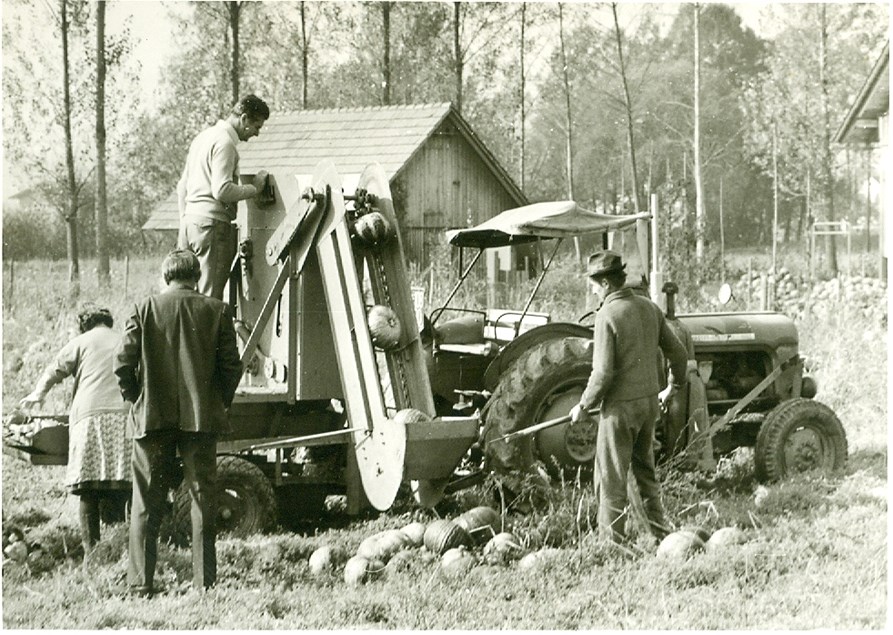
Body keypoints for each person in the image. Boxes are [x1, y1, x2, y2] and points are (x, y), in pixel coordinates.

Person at [114, 250, 243, 596]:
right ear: (196, 277)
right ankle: (205, 585)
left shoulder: (144, 309)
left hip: (151, 419)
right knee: (203, 499)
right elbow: (232, 367)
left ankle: (140, 584)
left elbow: (122, 365)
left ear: (165, 276)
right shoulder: (217, 310)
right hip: (200, 421)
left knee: (145, 503)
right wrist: (217, 404)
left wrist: (136, 400)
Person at [569, 250, 688, 544]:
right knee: (645, 471)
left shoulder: (607, 315)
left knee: (610, 477)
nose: (593, 290)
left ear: (607, 283)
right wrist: (673, 386)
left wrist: (584, 405)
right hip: (649, 405)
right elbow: (679, 352)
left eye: (595, 284)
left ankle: (612, 543)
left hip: (620, 411)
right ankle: (660, 533)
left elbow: (603, 373)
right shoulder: (650, 308)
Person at [19, 304, 131, 553]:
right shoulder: (125, 338)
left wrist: (38, 394)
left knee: (87, 487)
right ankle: (131, 545)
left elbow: (55, 369)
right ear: (107, 322)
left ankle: (92, 551)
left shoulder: (81, 341)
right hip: (124, 417)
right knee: (126, 480)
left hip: (89, 416)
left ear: (84, 324)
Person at [177, 94, 271, 300]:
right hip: (212, 226)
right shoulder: (225, 143)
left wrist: (185, 219)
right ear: (244, 118)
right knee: (209, 299)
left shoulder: (202, 138)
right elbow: (222, 190)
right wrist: (254, 188)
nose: (256, 133)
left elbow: (181, 186)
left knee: (184, 295)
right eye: (257, 126)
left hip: (189, 224)